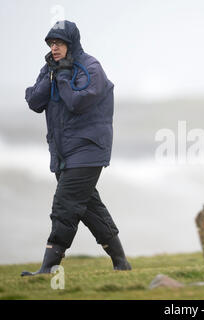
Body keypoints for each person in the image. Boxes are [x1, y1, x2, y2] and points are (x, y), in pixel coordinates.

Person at [22, 20, 131, 276]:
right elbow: (34, 101)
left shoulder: (90, 68)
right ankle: (121, 263)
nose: (54, 47)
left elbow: (76, 102)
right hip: (63, 152)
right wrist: (53, 73)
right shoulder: (51, 68)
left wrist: (61, 75)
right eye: (51, 43)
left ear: (71, 43)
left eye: (59, 42)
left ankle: (48, 268)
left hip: (88, 149)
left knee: (65, 204)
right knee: (90, 209)